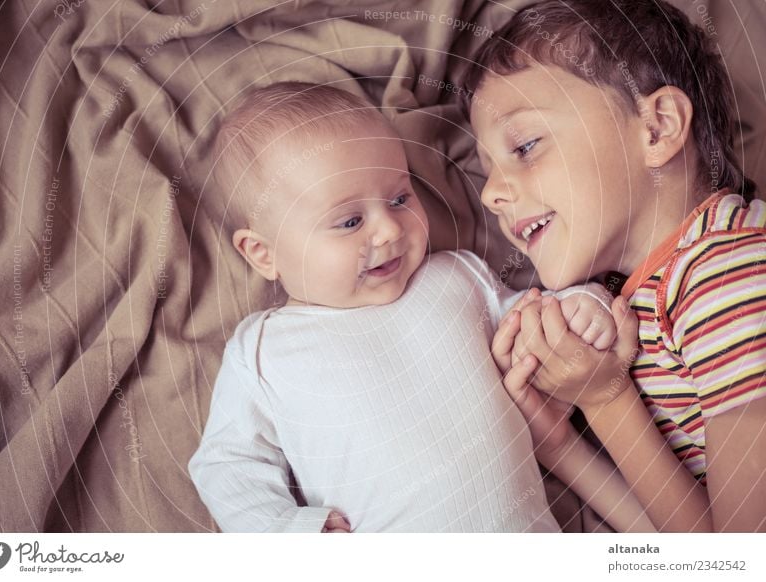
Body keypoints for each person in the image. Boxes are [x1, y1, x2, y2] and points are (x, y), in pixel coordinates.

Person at [188, 81, 653, 532]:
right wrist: (290, 532)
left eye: (399, 197)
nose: (390, 230)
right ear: (263, 254)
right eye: (350, 221)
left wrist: (582, 302)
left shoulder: (456, 277)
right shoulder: (264, 351)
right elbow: (226, 464)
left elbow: (533, 319)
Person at [462, 0, 766, 531]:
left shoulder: (728, 271)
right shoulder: (640, 291)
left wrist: (606, 400)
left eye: (525, 145)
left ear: (656, 128)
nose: (489, 194)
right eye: (486, 168)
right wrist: (560, 445)